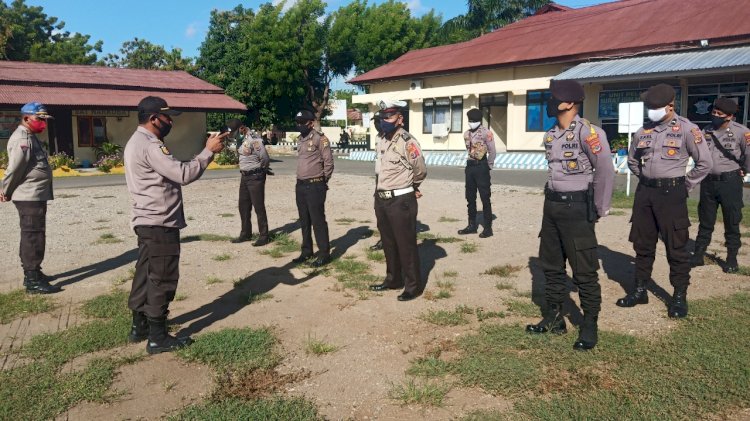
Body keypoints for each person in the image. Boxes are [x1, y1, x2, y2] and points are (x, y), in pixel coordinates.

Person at [124, 96, 226, 354]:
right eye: (168, 117)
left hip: (148, 221)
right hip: (160, 222)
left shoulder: (136, 141)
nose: (171, 121)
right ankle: (157, 337)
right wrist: (208, 152)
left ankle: (140, 327)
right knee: (162, 278)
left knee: (145, 274)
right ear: (153, 118)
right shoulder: (150, 145)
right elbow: (183, 174)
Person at [525, 80, 614, 350]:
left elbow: (605, 172)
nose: (550, 102)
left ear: (569, 103)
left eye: (554, 98)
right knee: (551, 266)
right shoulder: (551, 135)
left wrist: (598, 208)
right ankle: (553, 318)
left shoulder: (590, 133)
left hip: (577, 208)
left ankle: (589, 324)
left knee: (584, 271)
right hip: (551, 206)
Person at [617, 84, 712, 318]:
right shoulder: (643, 131)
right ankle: (640, 290)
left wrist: (684, 185)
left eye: (655, 107)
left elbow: (704, 164)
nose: (651, 111)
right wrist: (647, 180)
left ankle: (679, 296)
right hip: (645, 194)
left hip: (672, 195)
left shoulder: (688, 130)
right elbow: (632, 161)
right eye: (649, 107)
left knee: (676, 248)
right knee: (642, 245)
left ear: (670, 106)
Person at [368, 100, 427, 301]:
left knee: (406, 244)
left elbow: (420, 170)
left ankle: (413, 286)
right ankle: (393, 279)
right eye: (382, 117)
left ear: (400, 119)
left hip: (401, 199)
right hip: (382, 199)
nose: (384, 120)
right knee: (388, 242)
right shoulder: (382, 139)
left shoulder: (407, 141)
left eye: (389, 116)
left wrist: (412, 187)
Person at [1, 102, 61, 294]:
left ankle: (35, 272)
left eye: (44, 119)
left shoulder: (30, 136)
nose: (43, 123)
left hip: (35, 194)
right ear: (26, 118)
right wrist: (5, 190)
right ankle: (32, 279)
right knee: (32, 236)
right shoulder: (22, 138)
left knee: (35, 234)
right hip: (29, 195)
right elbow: (15, 169)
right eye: (39, 119)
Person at [692, 98, 749, 273]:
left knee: (732, 220)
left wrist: (744, 170)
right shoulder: (706, 130)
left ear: (730, 116)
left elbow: (748, 155)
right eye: (714, 112)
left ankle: (731, 258)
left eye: (719, 114)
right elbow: (699, 152)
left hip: (730, 182)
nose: (715, 116)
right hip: (708, 181)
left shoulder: (742, 132)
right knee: (705, 219)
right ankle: (699, 254)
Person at [292, 109, 334, 267]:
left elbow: (328, 163)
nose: (299, 125)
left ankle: (324, 253)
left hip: (316, 184)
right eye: (297, 123)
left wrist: (323, 181)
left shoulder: (320, 139)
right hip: (301, 185)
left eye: (302, 123)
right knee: (304, 220)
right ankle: (306, 250)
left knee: (317, 220)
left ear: (311, 123)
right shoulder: (300, 139)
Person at [228, 119, 270, 247]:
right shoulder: (241, 140)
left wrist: (261, 171)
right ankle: (246, 233)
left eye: (235, 132)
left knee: (258, 207)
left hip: (255, 176)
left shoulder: (254, 139)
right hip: (244, 177)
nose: (233, 136)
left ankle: (264, 236)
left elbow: (265, 158)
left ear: (241, 128)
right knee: (243, 206)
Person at [458, 108, 496, 238]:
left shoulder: (486, 133)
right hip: (470, 166)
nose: (471, 123)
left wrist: (488, 166)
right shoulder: (466, 134)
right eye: (470, 120)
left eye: (473, 120)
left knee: (485, 198)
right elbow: (469, 150)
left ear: (479, 121)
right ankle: (472, 225)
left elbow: (492, 151)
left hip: (482, 166)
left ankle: (488, 228)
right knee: (470, 197)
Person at [370, 111, 384, 251]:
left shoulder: (396, 137)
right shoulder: (377, 137)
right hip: (378, 179)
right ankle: (383, 239)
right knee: (379, 210)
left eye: (378, 121)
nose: (376, 124)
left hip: (392, 180)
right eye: (375, 122)